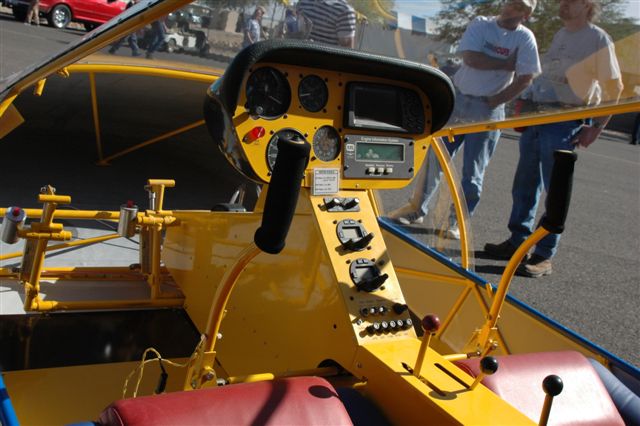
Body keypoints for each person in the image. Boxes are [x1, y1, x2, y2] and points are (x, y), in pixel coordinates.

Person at [484, 0, 623, 277]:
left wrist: (596, 127)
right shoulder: (561, 35)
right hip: (539, 117)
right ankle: (518, 242)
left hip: (565, 122)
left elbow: (614, 86)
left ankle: (544, 255)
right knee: (525, 185)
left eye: (570, 2)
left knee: (555, 191)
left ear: (586, 5)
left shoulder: (597, 38)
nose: (563, 5)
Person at [388, 0, 541, 240]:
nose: (512, 9)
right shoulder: (481, 24)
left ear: (527, 14)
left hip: (488, 109)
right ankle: (416, 209)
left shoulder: (525, 38)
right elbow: (470, 58)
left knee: (473, 171)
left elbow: (526, 77)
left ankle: (457, 222)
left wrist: (496, 100)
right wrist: (506, 63)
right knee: (436, 158)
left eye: (520, 7)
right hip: (459, 101)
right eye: (511, 3)